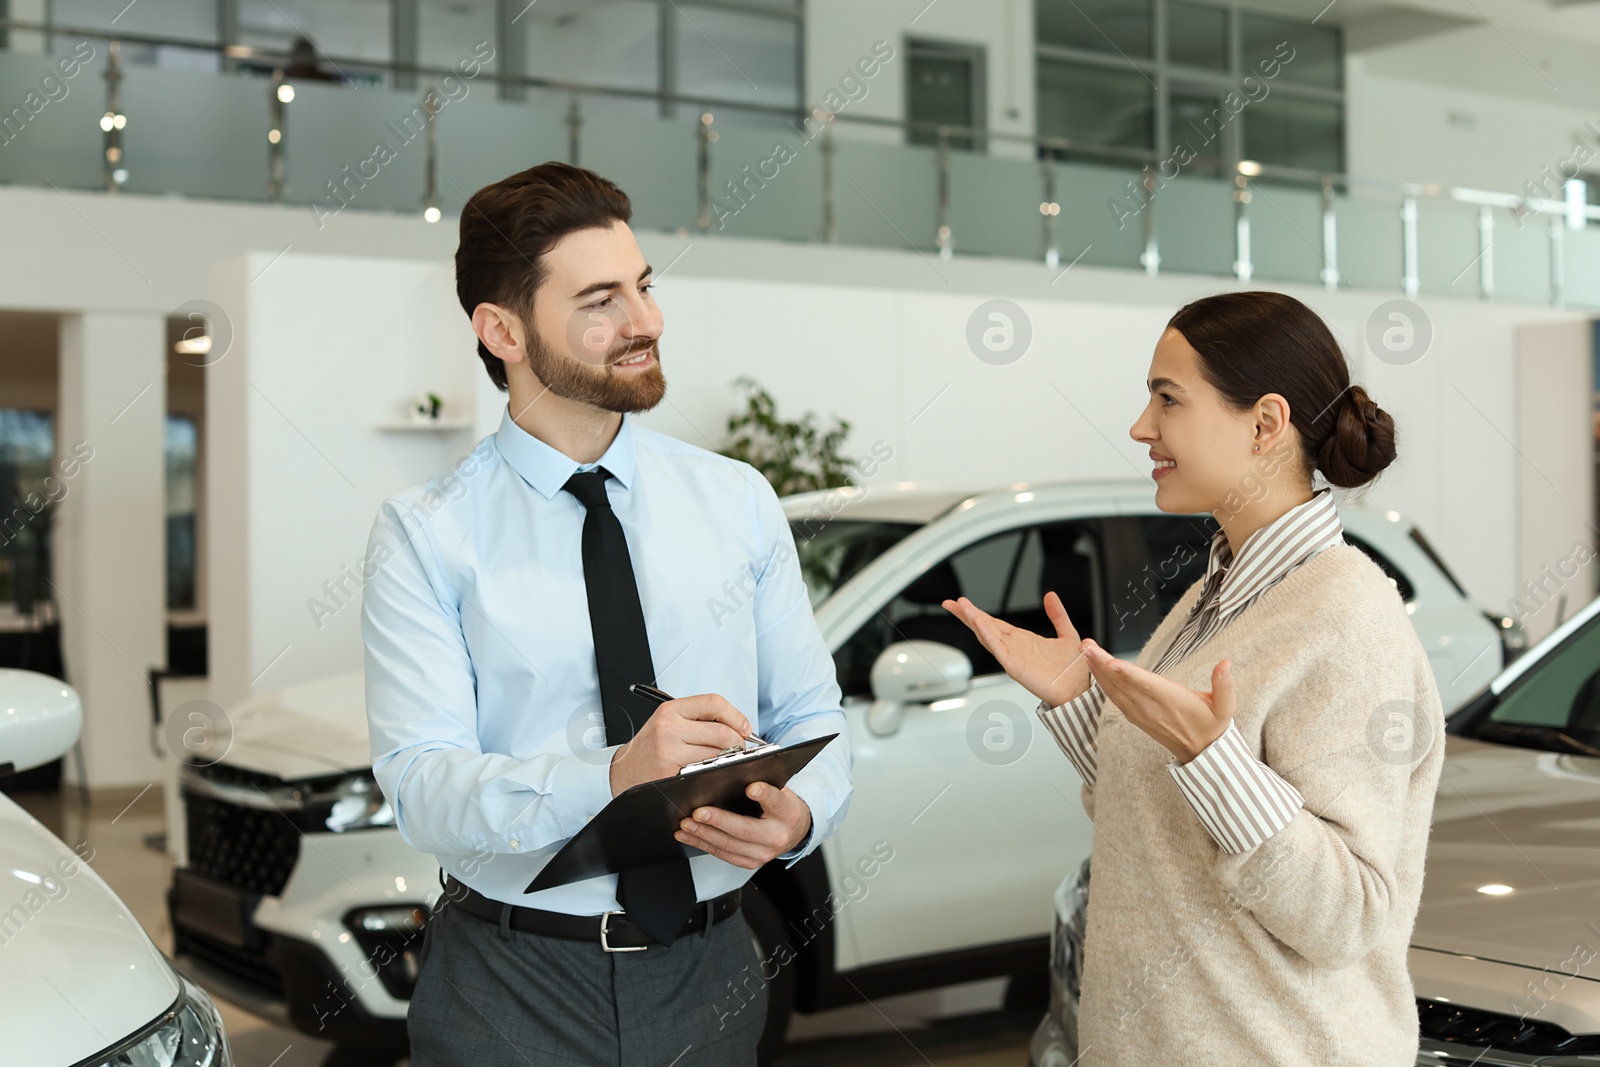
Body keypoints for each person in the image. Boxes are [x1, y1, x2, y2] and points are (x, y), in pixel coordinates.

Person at [360, 162, 852, 1066]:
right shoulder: (427, 533)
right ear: (501, 329)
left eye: (645, 286)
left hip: (712, 971)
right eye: (600, 300)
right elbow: (424, 787)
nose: (646, 322)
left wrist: (801, 815)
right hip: (509, 987)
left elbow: (815, 718)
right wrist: (616, 775)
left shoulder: (737, 499)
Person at [944, 290, 1444, 1065]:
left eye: (1167, 398)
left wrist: (1215, 762)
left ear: (1266, 423)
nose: (1143, 426)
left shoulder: (1350, 618)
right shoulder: (1217, 592)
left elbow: (1348, 913)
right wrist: (1083, 706)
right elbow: (1168, 818)